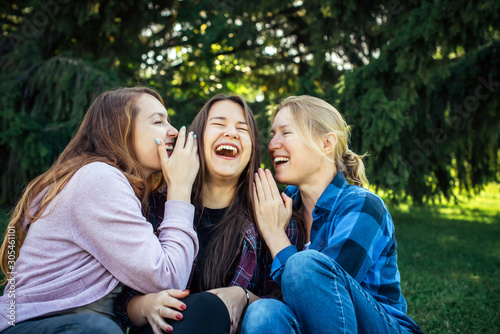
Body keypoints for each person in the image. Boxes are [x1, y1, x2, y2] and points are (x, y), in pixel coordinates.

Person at [0, 87, 200, 333]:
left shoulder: (119, 187)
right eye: (158, 121)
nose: (172, 132)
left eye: (168, 121)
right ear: (118, 131)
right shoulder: (99, 178)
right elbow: (167, 277)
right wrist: (180, 189)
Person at [116, 94, 303, 334]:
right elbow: (120, 300)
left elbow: (288, 311)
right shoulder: (154, 206)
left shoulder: (275, 213)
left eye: (242, 128)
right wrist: (146, 305)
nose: (232, 133)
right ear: (196, 138)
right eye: (218, 124)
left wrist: (244, 297)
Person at [242, 95, 423, 334]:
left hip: (376, 326)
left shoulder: (363, 205)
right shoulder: (282, 207)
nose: (273, 144)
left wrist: (275, 235)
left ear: (327, 143)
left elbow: (322, 293)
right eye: (273, 134)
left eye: (286, 133)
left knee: (304, 265)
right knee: (262, 312)